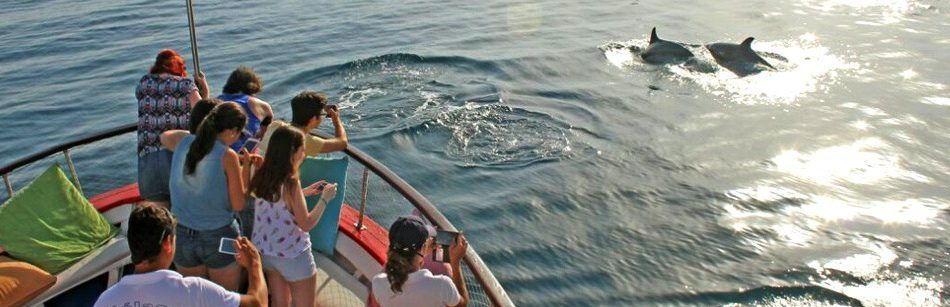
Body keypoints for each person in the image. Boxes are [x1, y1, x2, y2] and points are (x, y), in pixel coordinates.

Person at [160, 102, 262, 291]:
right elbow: (238, 204)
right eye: (240, 133)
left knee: (196, 299)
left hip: (181, 235)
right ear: (232, 131)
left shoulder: (182, 141)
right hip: (219, 236)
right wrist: (246, 168)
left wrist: (189, 136)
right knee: (225, 299)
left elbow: (164, 136)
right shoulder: (227, 156)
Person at [94, 204, 266, 307]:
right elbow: (258, 303)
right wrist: (254, 264)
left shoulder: (106, 300)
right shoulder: (194, 291)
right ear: (168, 243)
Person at [248, 125, 339, 307]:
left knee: (280, 303)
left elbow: (275, 202)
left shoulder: (260, 174)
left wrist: (302, 193)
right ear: (293, 152)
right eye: (302, 149)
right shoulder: (291, 183)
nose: (304, 153)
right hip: (293, 257)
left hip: (267, 253)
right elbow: (306, 224)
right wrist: (325, 199)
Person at [136, 49, 209, 209]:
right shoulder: (185, 85)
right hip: (176, 157)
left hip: (148, 160)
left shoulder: (143, 84)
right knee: (183, 212)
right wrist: (204, 92)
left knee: (159, 218)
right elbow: (203, 113)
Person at [371, 217, 470, 307]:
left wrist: (422, 251)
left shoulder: (378, 283)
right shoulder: (442, 285)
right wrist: (455, 263)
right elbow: (462, 304)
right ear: (423, 248)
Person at [258, 91, 347, 157]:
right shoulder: (304, 140)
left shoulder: (276, 125)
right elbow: (342, 143)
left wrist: (320, 110)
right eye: (322, 114)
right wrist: (336, 120)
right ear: (313, 119)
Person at [218, 66, 273, 152]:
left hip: (220, 154)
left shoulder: (216, 101)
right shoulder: (260, 105)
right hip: (247, 155)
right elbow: (266, 126)